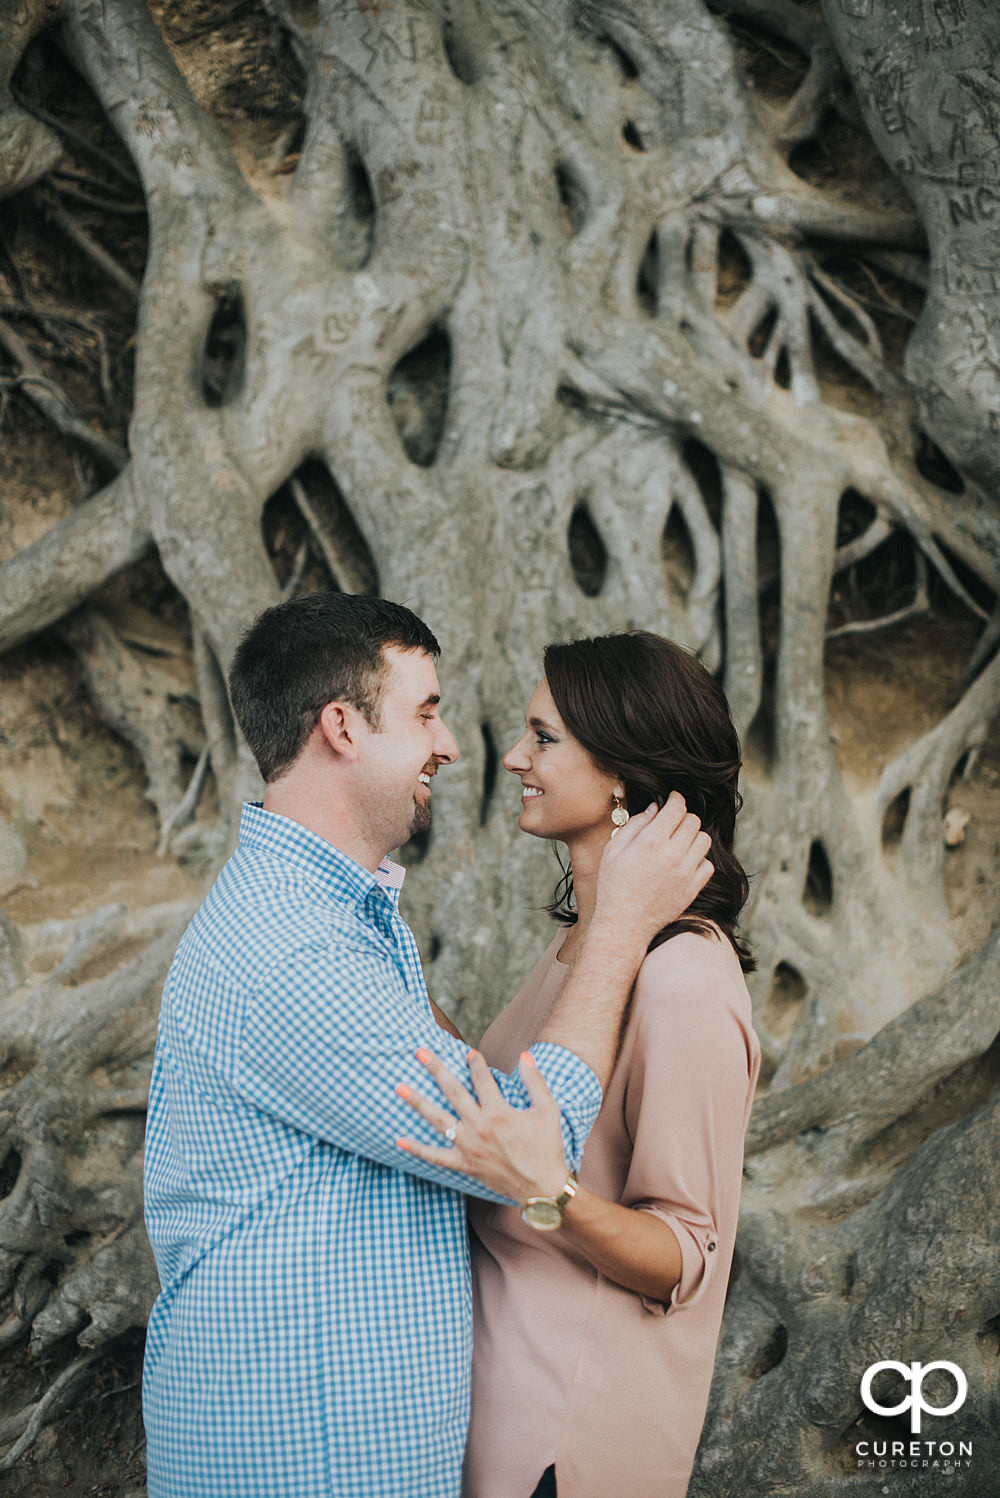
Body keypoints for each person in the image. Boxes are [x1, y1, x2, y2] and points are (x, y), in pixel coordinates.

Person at [141, 593, 713, 1498]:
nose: (452, 746)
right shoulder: (297, 952)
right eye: (425, 713)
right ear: (342, 726)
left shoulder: (346, 918)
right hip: (305, 1467)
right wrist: (620, 925)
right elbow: (532, 1138)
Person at [398, 630, 761, 1498]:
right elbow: (504, 1098)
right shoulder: (584, 945)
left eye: (545, 738)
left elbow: (683, 1253)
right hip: (495, 1413)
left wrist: (551, 1195)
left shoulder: (682, 980)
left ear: (624, 776)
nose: (515, 757)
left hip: (566, 1442)